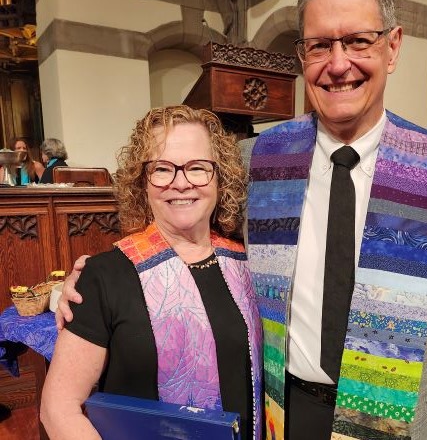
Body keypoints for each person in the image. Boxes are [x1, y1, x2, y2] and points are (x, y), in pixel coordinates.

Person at [57, 0, 427, 440]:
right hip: (286, 413)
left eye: (358, 41)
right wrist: (85, 285)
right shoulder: (257, 160)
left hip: (400, 424)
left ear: (392, 46)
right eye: (320, 45)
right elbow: (187, 232)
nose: (338, 64)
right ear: (303, 56)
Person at [41, 106, 263, 440]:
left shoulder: (251, 267)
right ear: (141, 181)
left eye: (197, 167)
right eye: (162, 169)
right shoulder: (102, 277)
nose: (181, 183)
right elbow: (58, 408)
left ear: (220, 177)